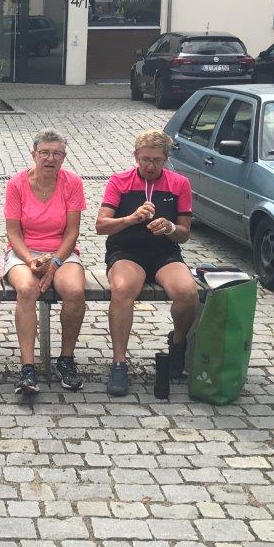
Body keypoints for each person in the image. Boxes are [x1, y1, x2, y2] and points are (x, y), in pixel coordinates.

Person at [95, 130, 200, 397]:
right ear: (136, 157)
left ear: (166, 159)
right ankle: (119, 362)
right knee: (122, 289)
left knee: (187, 293)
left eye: (156, 160)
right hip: (126, 250)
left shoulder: (179, 183)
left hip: (164, 252)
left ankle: (178, 343)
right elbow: (101, 226)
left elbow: (184, 233)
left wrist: (169, 227)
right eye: (144, 160)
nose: (150, 166)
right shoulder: (119, 181)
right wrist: (131, 219)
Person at [1, 129, 87, 399]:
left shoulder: (72, 182)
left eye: (57, 154)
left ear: (64, 157)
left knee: (74, 291)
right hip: (24, 251)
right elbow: (13, 232)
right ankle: (28, 367)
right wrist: (30, 260)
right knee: (27, 289)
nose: (50, 158)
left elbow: (72, 232)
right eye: (45, 153)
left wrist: (55, 261)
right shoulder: (16, 184)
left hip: (61, 251)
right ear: (33, 154)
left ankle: (66, 359)